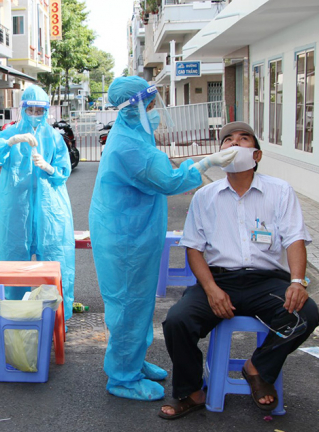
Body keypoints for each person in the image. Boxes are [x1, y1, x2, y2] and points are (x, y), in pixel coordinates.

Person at [88, 76, 237, 402]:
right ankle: (122, 377)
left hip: (132, 231)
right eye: (151, 105)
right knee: (128, 306)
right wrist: (207, 162)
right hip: (125, 238)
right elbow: (169, 180)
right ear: (134, 108)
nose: (155, 111)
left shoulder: (132, 131)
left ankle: (133, 362)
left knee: (138, 303)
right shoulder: (130, 146)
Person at [159, 121, 319, 419]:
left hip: (266, 281)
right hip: (219, 280)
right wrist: (210, 289)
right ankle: (191, 391)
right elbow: (193, 249)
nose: (234, 144)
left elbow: (296, 238)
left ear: (256, 155)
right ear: (220, 153)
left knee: (306, 313)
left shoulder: (280, 191)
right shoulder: (205, 196)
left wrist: (297, 281)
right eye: (227, 140)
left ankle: (257, 368)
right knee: (176, 322)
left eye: (243, 139)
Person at [0, 85, 76, 320]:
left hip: (50, 210)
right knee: (14, 264)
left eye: (40, 109)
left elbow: (63, 170)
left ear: (46, 111)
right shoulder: (10, 132)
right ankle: (17, 318)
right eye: (30, 109)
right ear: (22, 109)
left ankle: (55, 319)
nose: (35, 113)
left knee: (56, 262)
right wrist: (10, 141)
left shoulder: (54, 137)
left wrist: (49, 167)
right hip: (16, 209)